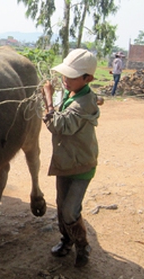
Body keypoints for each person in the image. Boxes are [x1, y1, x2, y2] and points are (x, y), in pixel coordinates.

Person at [41, 49, 100, 267]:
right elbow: (81, 100)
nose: (65, 80)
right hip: (66, 162)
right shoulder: (75, 93)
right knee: (60, 204)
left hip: (82, 165)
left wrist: (47, 96)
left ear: (88, 79)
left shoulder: (83, 104)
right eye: (64, 74)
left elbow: (58, 125)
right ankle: (66, 240)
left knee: (70, 210)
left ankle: (83, 246)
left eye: (71, 76)